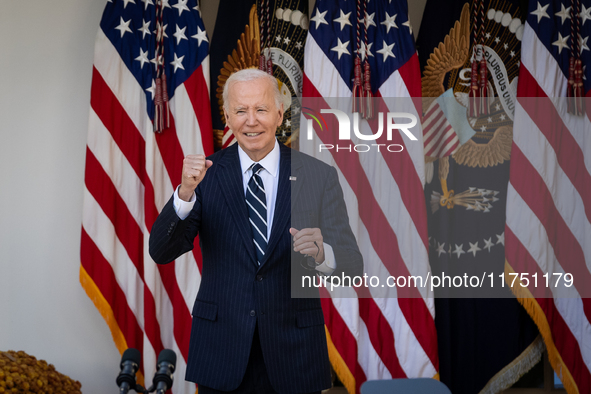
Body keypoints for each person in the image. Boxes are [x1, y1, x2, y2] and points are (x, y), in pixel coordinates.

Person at [149, 68, 363, 394]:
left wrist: (322, 254)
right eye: (241, 111)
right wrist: (184, 194)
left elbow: (352, 267)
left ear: (279, 114)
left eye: (261, 109)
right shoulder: (204, 178)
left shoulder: (318, 176)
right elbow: (161, 252)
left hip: (295, 356)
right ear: (228, 117)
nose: (251, 121)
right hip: (222, 354)